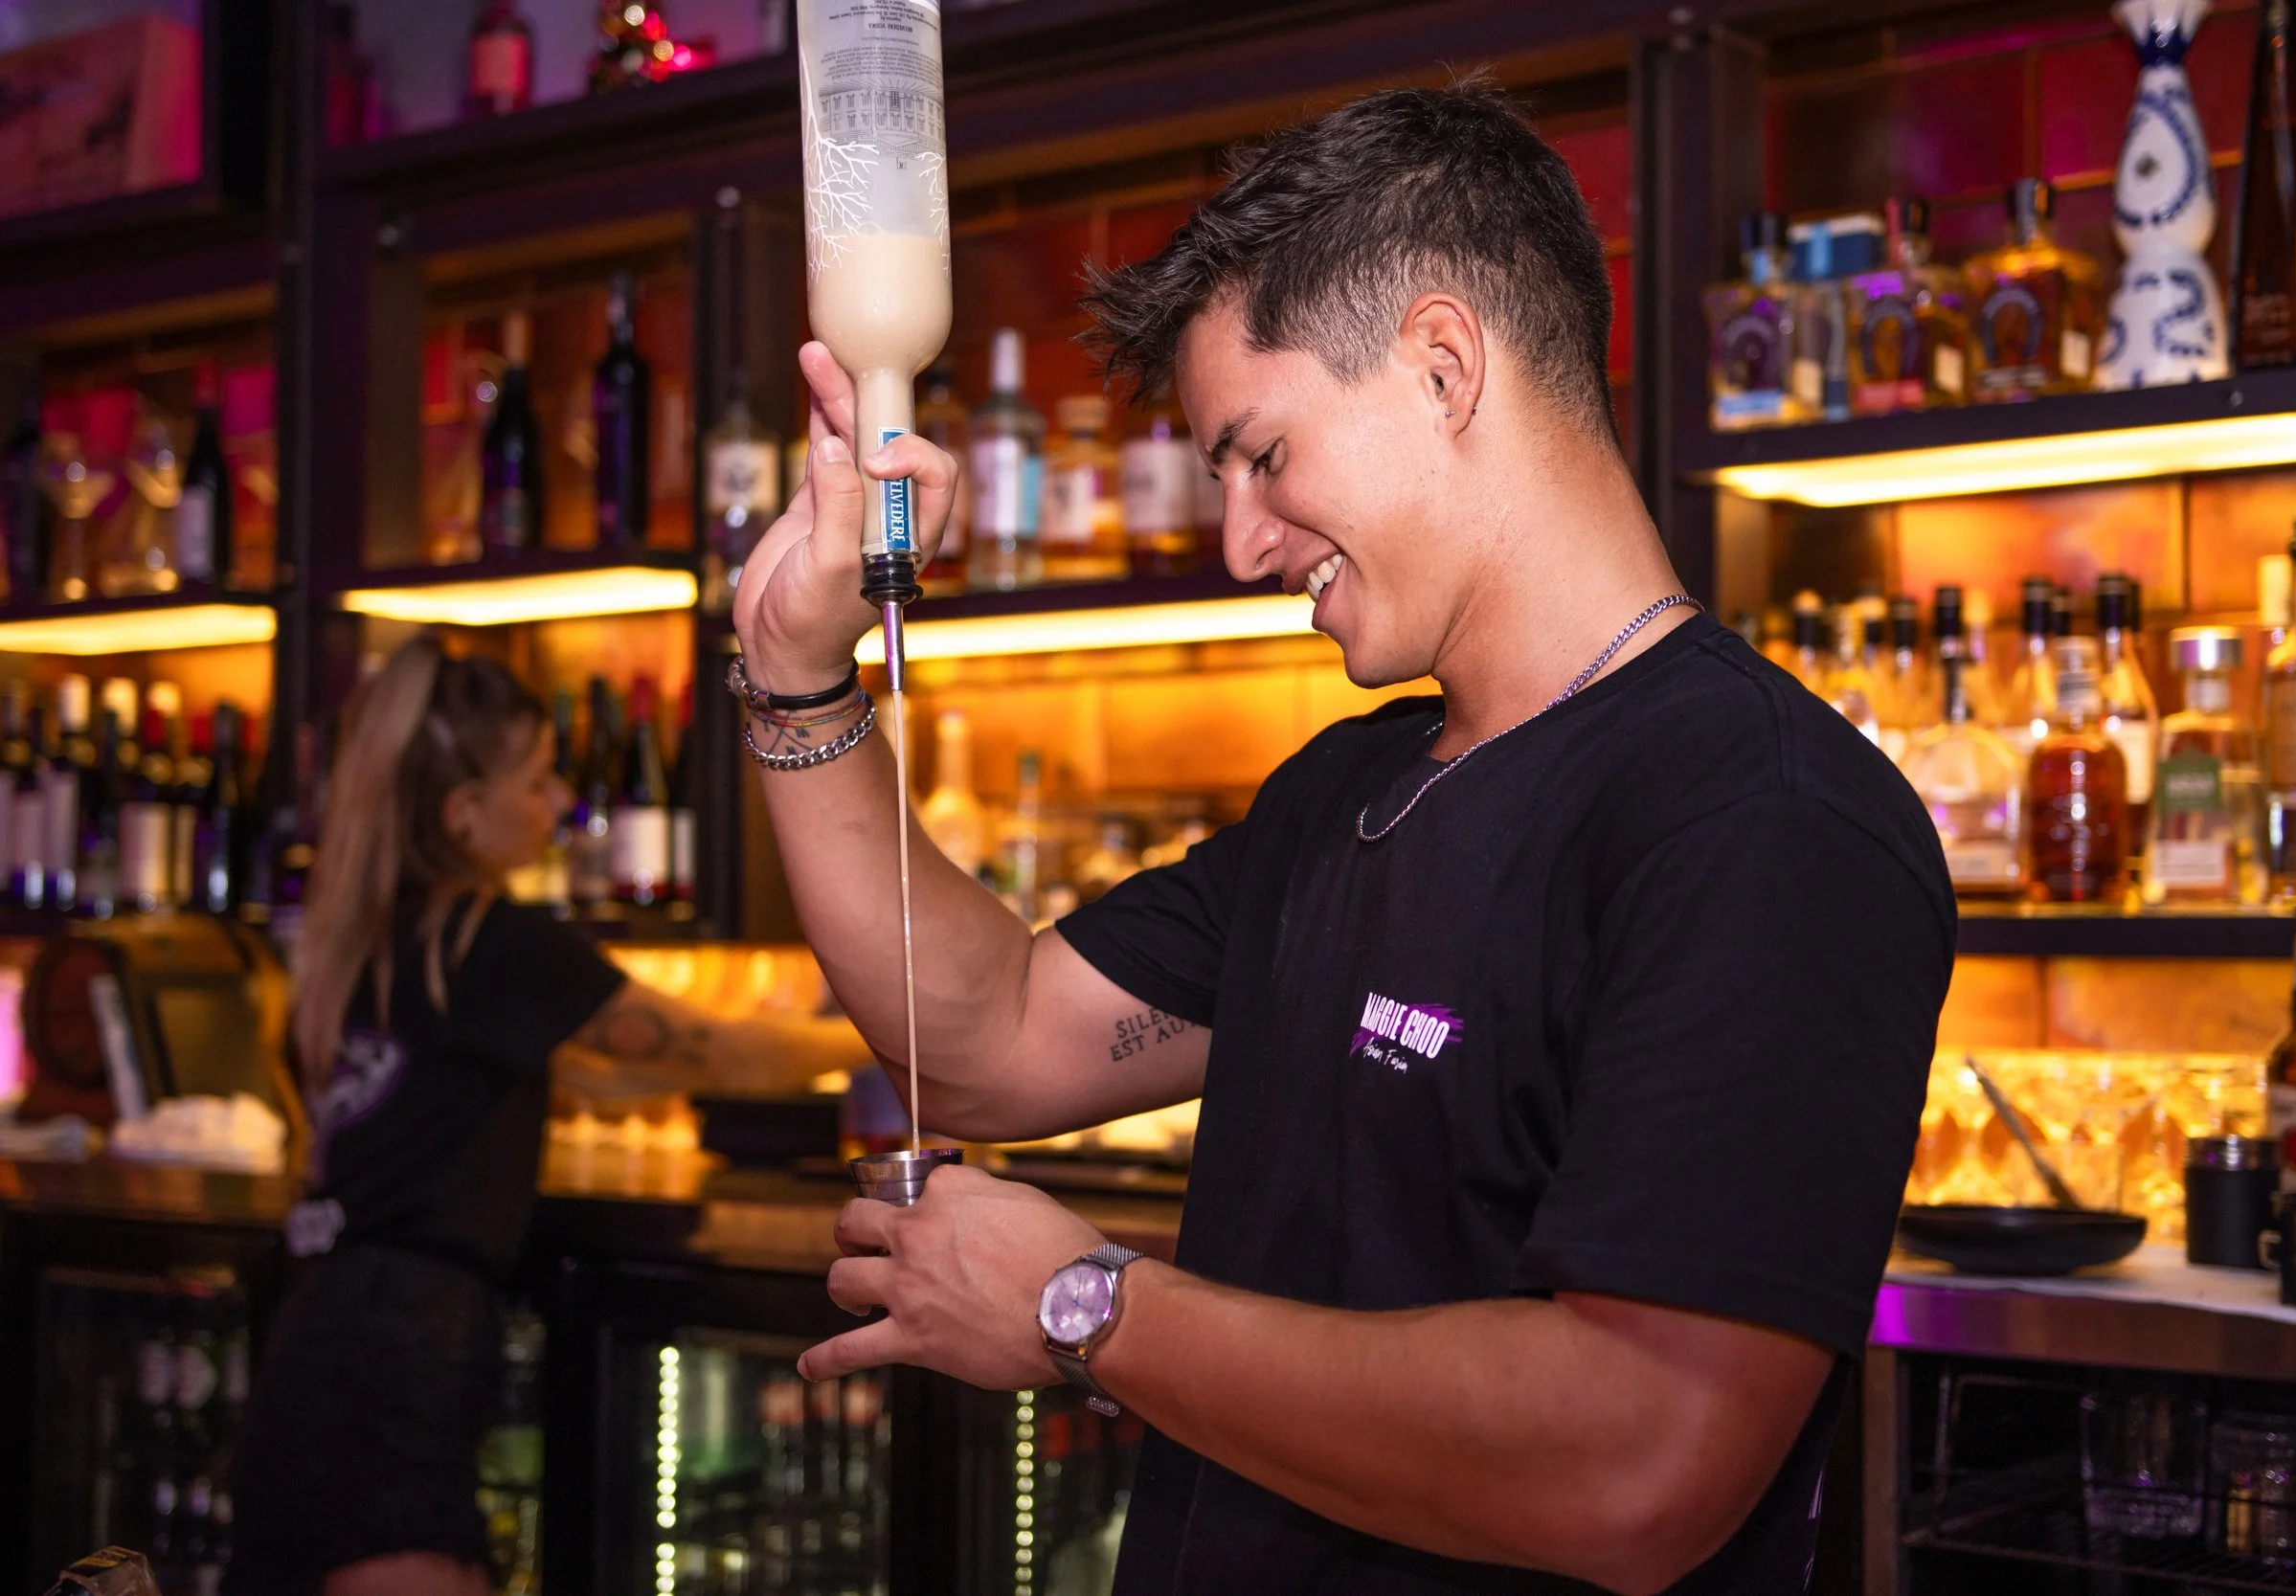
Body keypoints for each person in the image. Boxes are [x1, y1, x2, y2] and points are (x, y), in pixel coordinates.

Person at [733, 83, 1953, 1595]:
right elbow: (983, 1040)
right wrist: (795, 670)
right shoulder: (1343, 793)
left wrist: (1085, 1303)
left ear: (1444, 364)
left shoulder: (1763, 817)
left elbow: (1639, 1458)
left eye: (1262, 457)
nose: (1242, 542)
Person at [226, 634, 864, 1596]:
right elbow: (718, 1050)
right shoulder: (490, 938)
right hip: (395, 1368)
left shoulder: (377, 938)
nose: (560, 800)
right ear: (463, 812)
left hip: (319, 1341)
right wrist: (913, 1023)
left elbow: (596, 1079)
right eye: (536, 780)